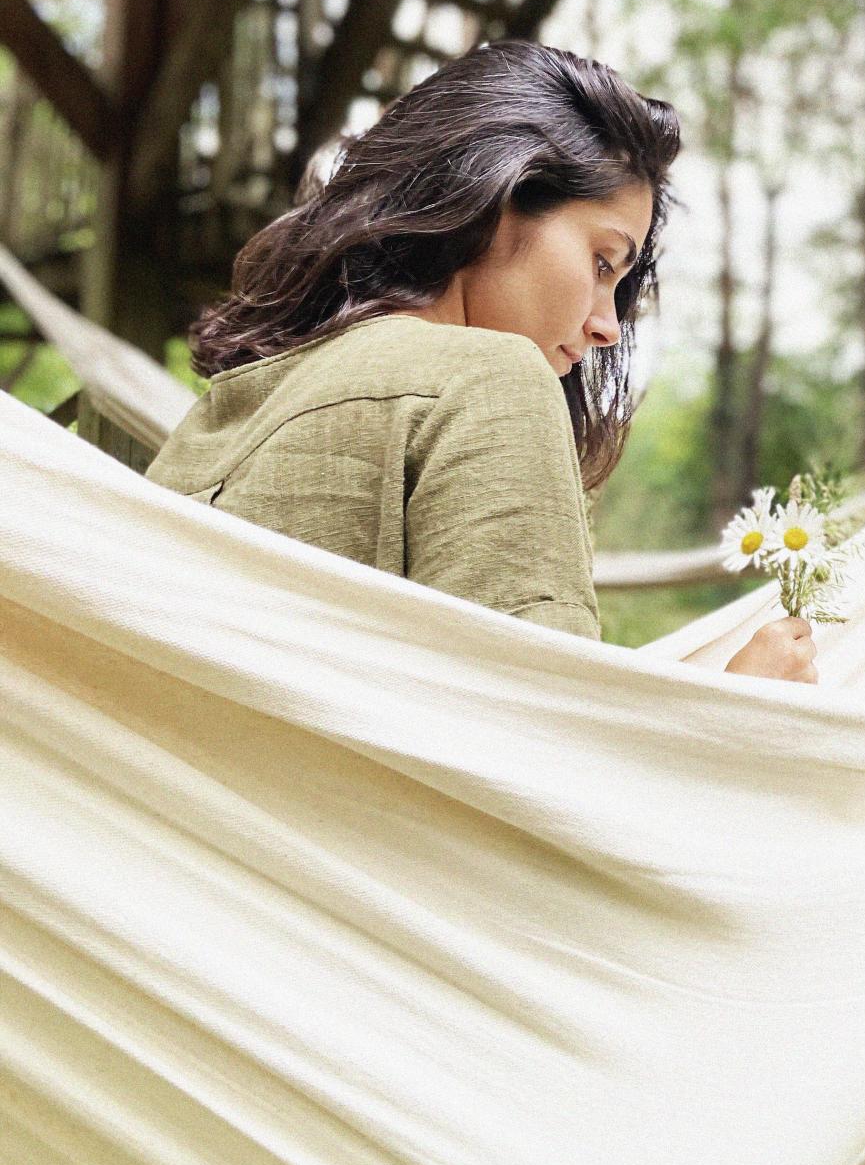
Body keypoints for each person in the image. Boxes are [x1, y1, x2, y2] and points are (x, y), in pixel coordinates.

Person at [146, 40, 816, 685]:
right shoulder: (491, 380)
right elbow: (540, 742)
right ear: (501, 200)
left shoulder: (221, 417)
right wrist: (750, 705)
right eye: (602, 261)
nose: (609, 327)